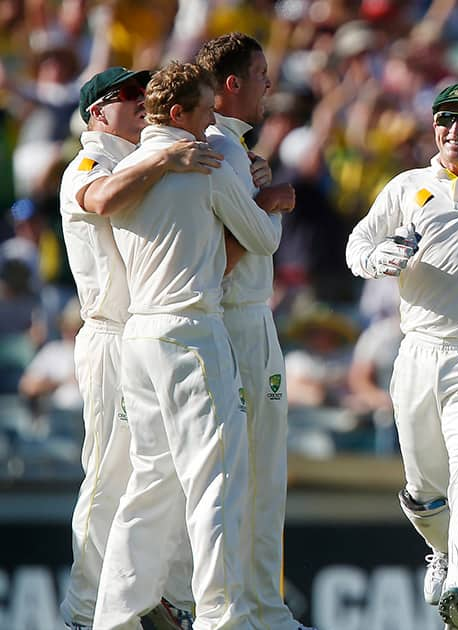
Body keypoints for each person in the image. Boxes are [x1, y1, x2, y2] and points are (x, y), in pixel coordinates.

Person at [92, 61, 285, 630]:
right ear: (179, 114)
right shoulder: (208, 163)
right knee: (217, 480)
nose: (212, 126)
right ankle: (224, 618)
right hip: (192, 332)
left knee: (150, 482)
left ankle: (116, 616)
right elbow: (262, 238)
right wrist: (268, 198)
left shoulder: (127, 167)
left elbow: (102, 200)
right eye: (205, 113)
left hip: (139, 337)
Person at [57, 65, 225, 630]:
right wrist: (163, 159)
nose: (139, 101)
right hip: (108, 333)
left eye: (143, 93)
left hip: (144, 333)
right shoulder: (90, 161)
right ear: (96, 113)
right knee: (109, 477)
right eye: (126, 95)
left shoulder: (138, 157)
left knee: (156, 475)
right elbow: (100, 200)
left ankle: (157, 598)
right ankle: (85, 612)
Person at [346, 82, 458, 630]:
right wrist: (382, 257)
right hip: (417, 351)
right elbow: (357, 247)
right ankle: (443, 553)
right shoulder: (407, 187)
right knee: (422, 490)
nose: (454, 131)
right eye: (445, 121)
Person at [194, 32, 307, 630]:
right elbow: (241, 243)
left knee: (256, 473)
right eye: (260, 73)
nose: (269, 83)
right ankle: (248, 608)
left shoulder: (232, 147)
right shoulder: (222, 146)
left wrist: (259, 188)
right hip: (236, 318)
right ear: (232, 83)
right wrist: (271, 201)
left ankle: (257, 605)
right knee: (250, 474)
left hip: (247, 314)